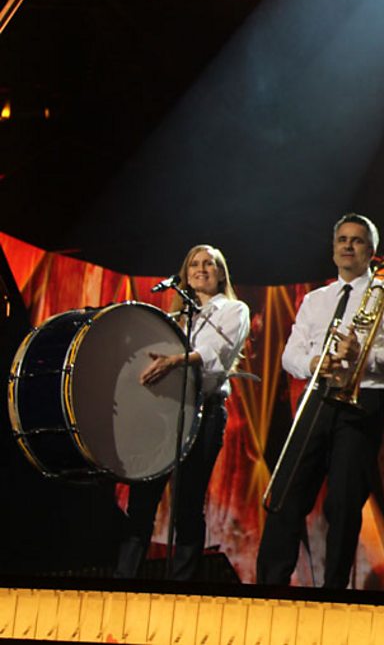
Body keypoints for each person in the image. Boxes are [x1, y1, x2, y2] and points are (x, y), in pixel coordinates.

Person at [256, 213, 384, 589]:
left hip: (364, 401)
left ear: (371, 251)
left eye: (357, 240)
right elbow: (289, 356)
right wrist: (314, 363)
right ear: (333, 249)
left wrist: (364, 354)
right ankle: (269, 586)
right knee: (286, 495)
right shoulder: (316, 300)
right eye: (342, 239)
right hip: (317, 396)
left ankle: (334, 591)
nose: (348, 246)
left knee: (343, 503)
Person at [115, 244, 251, 580]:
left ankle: (182, 584)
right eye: (194, 264)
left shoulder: (234, 310)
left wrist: (175, 361)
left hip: (204, 411)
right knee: (143, 498)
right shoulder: (174, 319)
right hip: (163, 414)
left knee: (188, 502)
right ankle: (124, 578)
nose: (201, 269)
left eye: (209, 264)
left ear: (221, 274)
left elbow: (216, 352)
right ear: (185, 275)